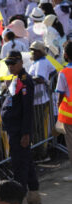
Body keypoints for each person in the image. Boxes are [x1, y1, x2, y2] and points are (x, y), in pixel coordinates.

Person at [1, 51, 40, 204]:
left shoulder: (25, 81)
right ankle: (34, 192)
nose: (10, 66)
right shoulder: (16, 79)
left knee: (19, 163)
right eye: (8, 64)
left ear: (20, 63)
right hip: (14, 127)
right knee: (26, 160)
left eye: (13, 63)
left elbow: (27, 110)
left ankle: (19, 197)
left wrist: (25, 133)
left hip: (19, 129)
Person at [56, 40, 72, 182]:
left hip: (69, 116)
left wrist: (58, 103)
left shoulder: (64, 73)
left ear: (66, 55)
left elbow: (60, 94)